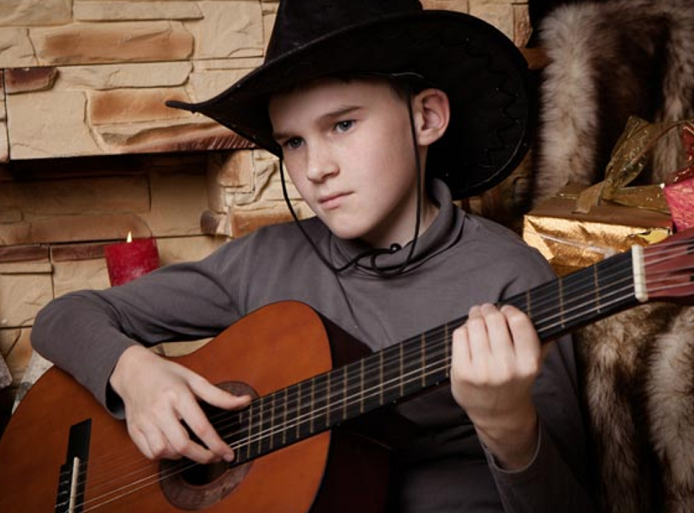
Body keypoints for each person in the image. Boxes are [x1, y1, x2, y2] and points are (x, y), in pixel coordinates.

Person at [31, 0, 596, 511]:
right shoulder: (267, 260)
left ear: (426, 118)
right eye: (293, 142)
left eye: (343, 124)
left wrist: (508, 426)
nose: (315, 169)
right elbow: (62, 317)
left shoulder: (510, 278)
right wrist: (134, 375)